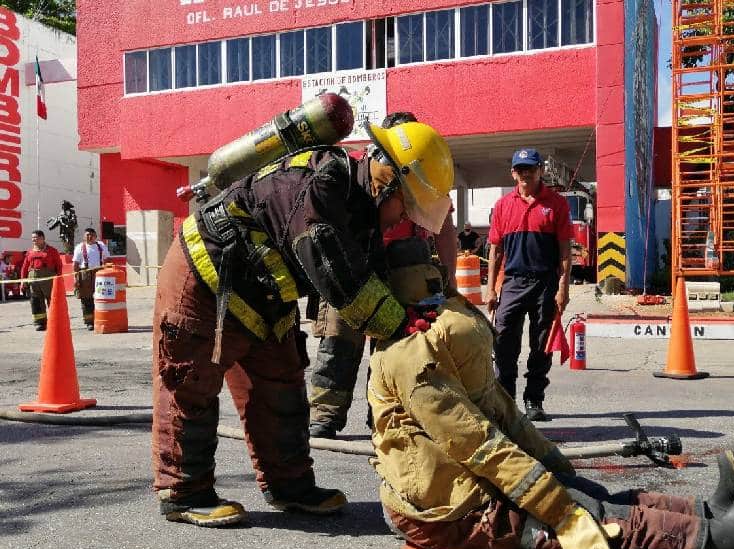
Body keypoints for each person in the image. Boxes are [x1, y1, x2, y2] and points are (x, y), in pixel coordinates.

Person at [367, 256, 734, 549]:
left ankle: (704, 513)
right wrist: (561, 514)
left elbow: (501, 412)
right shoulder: (410, 362)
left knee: (588, 493)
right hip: (447, 514)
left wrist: (556, 467)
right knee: (594, 518)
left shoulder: (435, 344)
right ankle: (729, 542)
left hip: (464, 487)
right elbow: (479, 445)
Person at [152, 119, 455, 527]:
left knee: (282, 383)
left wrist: (416, 314)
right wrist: (399, 328)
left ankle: (289, 485)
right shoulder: (323, 186)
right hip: (207, 276)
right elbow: (339, 277)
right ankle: (184, 491)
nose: (406, 217)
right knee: (190, 381)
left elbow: (373, 274)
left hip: (265, 288)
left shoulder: (362, 206)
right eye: (407, 204)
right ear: (386, 179)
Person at [307, 111, 458, 440]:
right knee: (338, 340)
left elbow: (445, 229)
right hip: (355, 262)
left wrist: (450, 279)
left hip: (403, 267)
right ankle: (325, 414)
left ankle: (384, 414)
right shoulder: (358, 174)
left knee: (395, 345)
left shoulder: (423, 174)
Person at [485, 148, 572, 422]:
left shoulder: (556, 204)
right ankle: (506, 401)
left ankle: (534, 399)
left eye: (531, 169)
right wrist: (490, 289)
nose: (526, 173)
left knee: (541, 344)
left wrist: (563, 288)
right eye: (520, 169)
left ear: (540, 171)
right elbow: (495, 251)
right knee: (503, 342)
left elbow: (565, 251)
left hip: (545, 283)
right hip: (512, 282)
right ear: (513, 172)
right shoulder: (502, 205)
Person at [19, 230, 63, 331]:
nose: (34, 240)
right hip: (33, 279)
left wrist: (59, 279)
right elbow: (24, 268)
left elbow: (59, 266)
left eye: (36, 237)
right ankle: (40, 323)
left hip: (48, 279)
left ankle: (55, 322)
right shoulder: (30, 252)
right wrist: (23, 281)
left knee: (52, 301)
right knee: (36, 301)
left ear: (43, 238)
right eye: (33, 238)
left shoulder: (52, 250)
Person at [72, 227, 109, 331]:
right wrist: (76, 279)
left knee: (101, 298)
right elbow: (75, 264)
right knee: (86, 299)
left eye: (92, 235)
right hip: (85, 274)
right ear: (84, 236)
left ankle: (100, 319)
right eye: (87, 235)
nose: (89, 237)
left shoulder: (101, 246)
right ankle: (89, 322)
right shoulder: (79, 247)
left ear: (95, 236)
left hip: (100, 273)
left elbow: (107, 259)